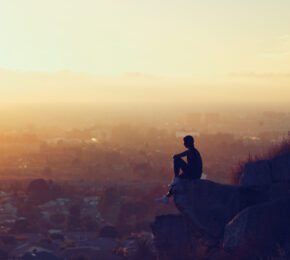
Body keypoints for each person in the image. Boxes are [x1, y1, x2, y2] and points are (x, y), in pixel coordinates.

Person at [157, 135, 203, 204]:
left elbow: (177, 156)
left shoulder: (192, 152)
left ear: (188, 143)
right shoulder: (193, 151)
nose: (184, 143)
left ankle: (167, 196)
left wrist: (181, 175)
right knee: (178, 180)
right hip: (193, 172)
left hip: (193, 174)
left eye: (185, 142)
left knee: (177, 161)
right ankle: (167, 197)